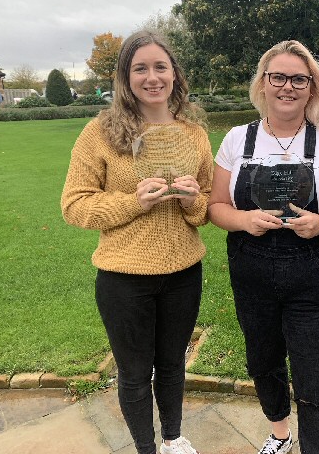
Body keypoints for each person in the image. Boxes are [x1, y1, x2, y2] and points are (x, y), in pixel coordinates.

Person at [61, 30, 212, 454]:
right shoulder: (101, 133)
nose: (152, 77)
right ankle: (145, 448)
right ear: (125, 78)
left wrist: (189, 200)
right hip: (124, 277)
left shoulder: (193, 133)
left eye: (160, 67)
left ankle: (172, 438)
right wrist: (133, 202)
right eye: (140, 68)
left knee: (172, 365)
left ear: (174, 74)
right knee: (133, 372)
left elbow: (205, 207)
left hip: (184, 271)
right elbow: (74, 205)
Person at [208, 40, 319, 454]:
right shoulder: (238, 140)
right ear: (263, 84)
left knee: (314, 373)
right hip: (251, 267)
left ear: (312, 87)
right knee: (262, 360)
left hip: (314, 271)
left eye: (298, 79)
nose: (287, 87)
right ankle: (281, 433)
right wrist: (244, 220)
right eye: (278, 77)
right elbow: (216, 206)